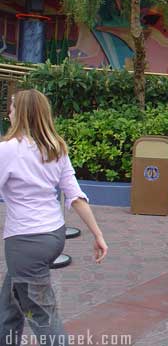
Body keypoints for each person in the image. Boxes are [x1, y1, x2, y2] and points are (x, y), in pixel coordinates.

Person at [0, 89, 108, 346]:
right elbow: (75, 196)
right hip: (52, 236)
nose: (9, 113)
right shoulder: (56, 148)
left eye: (13, 108)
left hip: (25, 242)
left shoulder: (8, 150)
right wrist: (98, 234)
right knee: (9, 304)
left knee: (41, 313)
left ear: (23, 114)